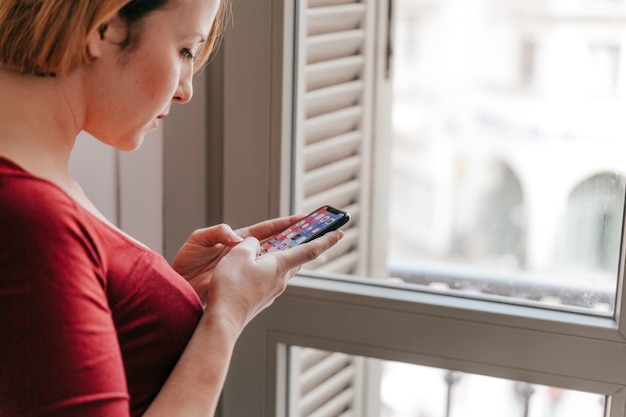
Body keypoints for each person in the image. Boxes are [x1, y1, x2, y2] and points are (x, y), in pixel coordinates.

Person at [0, 0, 343, 416]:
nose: (186, 90)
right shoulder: (34, 218)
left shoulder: (34, 185)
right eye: (185, 49)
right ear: (103, 27)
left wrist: (159, 297)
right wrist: (227, 316)